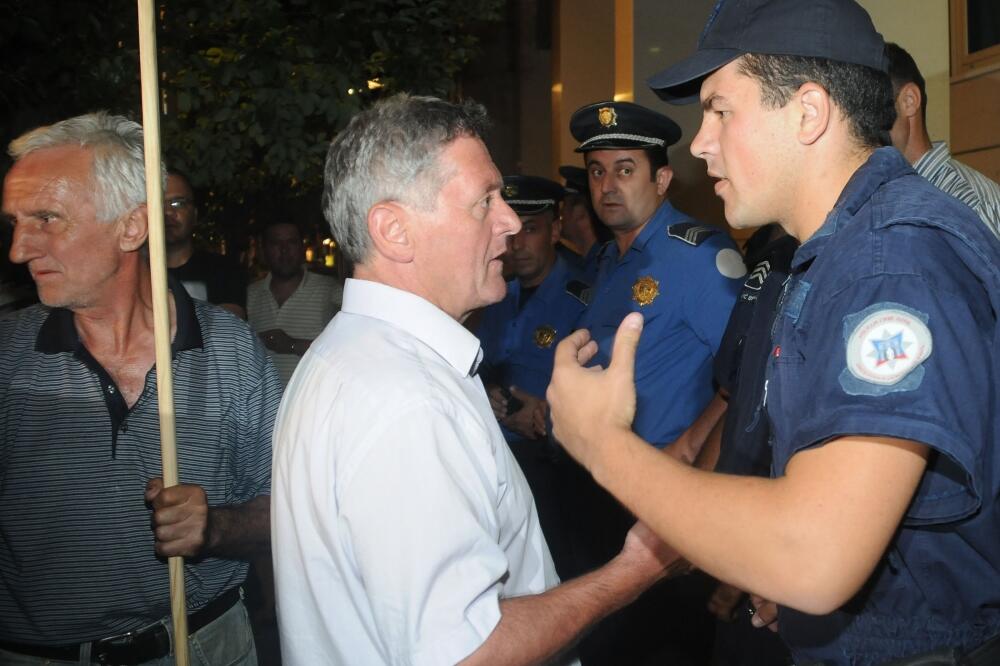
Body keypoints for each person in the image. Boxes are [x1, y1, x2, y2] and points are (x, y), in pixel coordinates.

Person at [548, 1, 1000, 664]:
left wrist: (602, 445)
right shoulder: (826, 252)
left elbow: (814, 552)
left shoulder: (892, 264)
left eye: (720, 110)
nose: (700, 142)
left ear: (808, 113)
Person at [270, 93, 684, 666]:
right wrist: (631, 572)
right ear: (394, 230)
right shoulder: (403, 402)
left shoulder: (356, 357)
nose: (511, 222)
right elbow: (469, 653)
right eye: (483, 203)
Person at [0, 112, 279, 664]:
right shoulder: (7, 355)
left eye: (47, 218)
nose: (18, 249)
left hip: (203, 645)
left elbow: (286, 512)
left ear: (132, 227)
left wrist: (215, 528)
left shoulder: (231, 350)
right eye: (14, 223)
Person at [567, 99, 745, 665]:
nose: (607, 186)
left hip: (669, 493)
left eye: (625, 169)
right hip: (601, 488)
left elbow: (750, 375)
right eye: (597, 172)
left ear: (662, 178)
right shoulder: (604, 262)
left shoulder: (698, 257)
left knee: (665, 647)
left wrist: (693, 453)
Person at [476, 174, 589, 577]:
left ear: (556, 231)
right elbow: (480, 365)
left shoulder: (585, 297)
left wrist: (545, 417)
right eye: (512, 230)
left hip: (561, 470)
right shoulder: (493, 295)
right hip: (501, 463)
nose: (518, 243)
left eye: (532, 229)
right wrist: (488, 394)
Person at [885, 41, 1000, 238]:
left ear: (909, 101)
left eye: (870, 107)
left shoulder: (966, 204)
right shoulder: (881, 196)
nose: (860, 124)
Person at [247, 219, 343, 386]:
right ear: (264, 250)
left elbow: (347, 349)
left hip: (311, 404)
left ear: (302, 247)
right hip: (264, 408)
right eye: (276, 243)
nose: (284, 250)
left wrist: (292, 345)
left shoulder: (329, 289)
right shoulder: (250, 294)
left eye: (291, 242)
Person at [165, 169, 248, 318]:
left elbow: (229, 329)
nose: (168, 212)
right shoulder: (134, 273)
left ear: (195, 214)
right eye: (159, 204)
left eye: (178, 203)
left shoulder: (224, 271)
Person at [556, 165, 606, 280]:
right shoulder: (594, 260)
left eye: (565, 206)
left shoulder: (600, 266)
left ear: (580, 212)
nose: (561, 212)